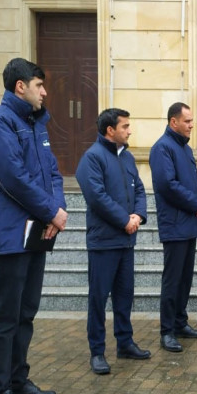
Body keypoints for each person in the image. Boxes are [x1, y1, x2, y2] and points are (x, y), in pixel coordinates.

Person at [0, 58, 68, 394]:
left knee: (26, 313)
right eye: (39, 85)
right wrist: (50, 212)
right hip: (9, 235)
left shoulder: (36, 125)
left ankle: (19, 381)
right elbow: (12, 178)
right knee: (6, 317)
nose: (45, 91)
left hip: (36, 233)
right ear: (21, 87)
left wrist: (54, 212)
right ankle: (1, 393)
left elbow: (53, 173)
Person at [76, 108, 150, 375]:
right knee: (99, 298)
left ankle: (125, 342)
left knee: (124, 295)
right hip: (103, 242)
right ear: (110, 130)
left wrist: (139, 215)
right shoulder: (92, 159)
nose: (129, 131)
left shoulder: (127, 157)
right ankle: (97, 352)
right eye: (125, 126)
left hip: (126, 241)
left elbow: (140, 189)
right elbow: (96, 197)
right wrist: (124, 220)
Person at [150, 102, 197, 352]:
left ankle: (180, 322)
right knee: (172, 280)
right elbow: (167, 185)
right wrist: (194, 202)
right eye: (187, 121)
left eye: (191, 121)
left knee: (185, 279)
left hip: (189, 222)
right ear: (174, 122)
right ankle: (167, 331)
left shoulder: (186, 149)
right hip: (174, 224)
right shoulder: (162, 148)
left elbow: (195, 179)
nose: (191, 125)